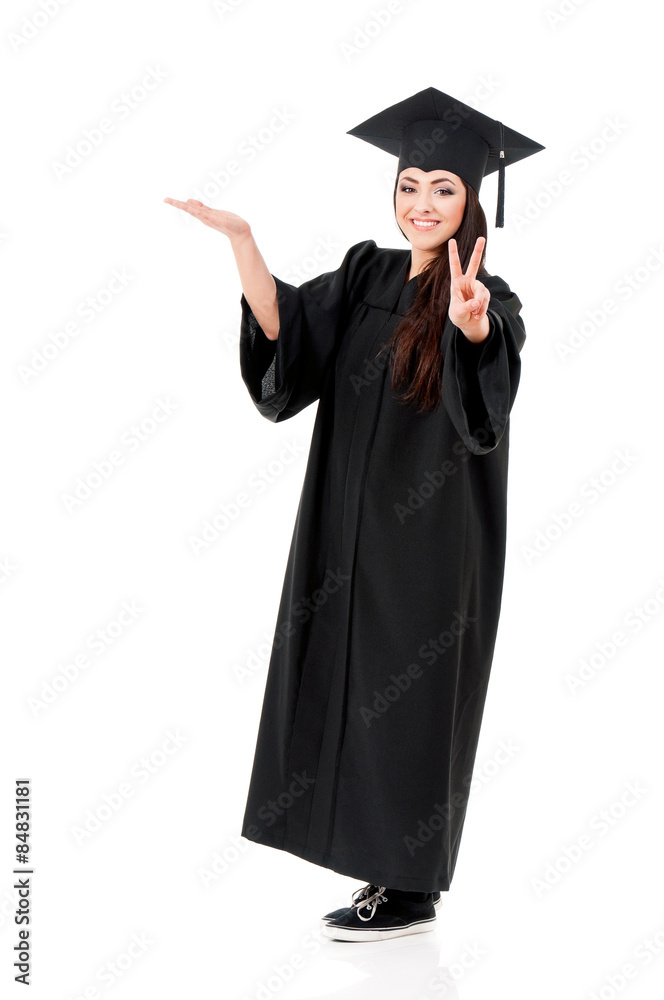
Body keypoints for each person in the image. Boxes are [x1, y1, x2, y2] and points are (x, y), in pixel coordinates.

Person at [164, 86, 544, 943]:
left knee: (410, 701)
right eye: (410, 185)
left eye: (443, 188)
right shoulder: (368, 272)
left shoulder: (488, 294)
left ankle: (409, 890)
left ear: (473, 201)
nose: (422, 203)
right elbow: (288, 333)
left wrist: (472, 326)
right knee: (340, 679)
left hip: (430, 545)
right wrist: (243, 243)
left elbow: (487, 385)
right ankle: (368, 867)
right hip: (343, 531)